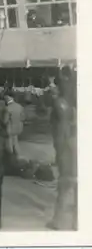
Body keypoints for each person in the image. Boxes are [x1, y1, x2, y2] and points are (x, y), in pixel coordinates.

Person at [46, 85, 77, 230]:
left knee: (63, 192)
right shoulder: (68, 105)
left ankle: (57, 222)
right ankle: (76, 223)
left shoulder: (57, 104)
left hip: (68, 166)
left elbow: (53, 122)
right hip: (77, 168)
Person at [3, 90, 25, 161]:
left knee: (9, 145)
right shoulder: (20, 106)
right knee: (15, 143)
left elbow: (5, 121)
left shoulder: (7, 108)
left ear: (8, 97)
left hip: (10, 129)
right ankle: (18, 157)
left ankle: (11, 159)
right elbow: (23, 118)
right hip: (18, 128)